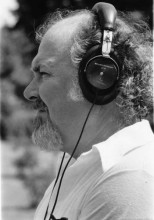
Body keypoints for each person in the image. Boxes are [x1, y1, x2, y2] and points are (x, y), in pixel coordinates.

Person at [24, 2, 154, 220]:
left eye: (43, 73)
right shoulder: (79, 165)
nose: (29, 92)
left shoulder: (130, 178)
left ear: (99, 79)